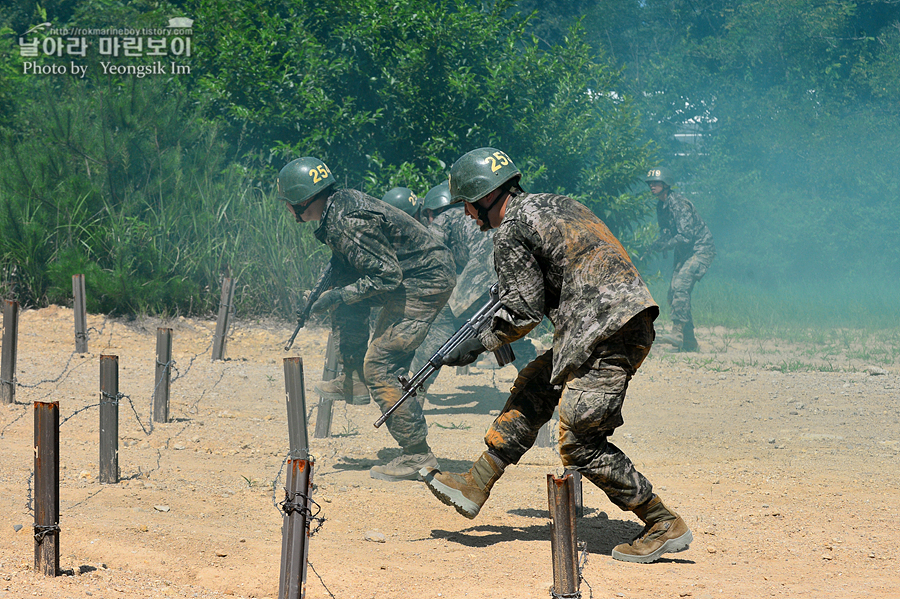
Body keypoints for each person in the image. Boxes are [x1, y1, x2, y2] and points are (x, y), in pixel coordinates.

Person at [419, 148, 692, 564]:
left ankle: (661, 522)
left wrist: (473, 345)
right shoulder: (554, 204)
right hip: (612, 320)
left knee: (580, 441)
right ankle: (476, 481)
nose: (470, 218)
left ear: (484, 197)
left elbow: (523, 312)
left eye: (468, 207)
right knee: (535, 386)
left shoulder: (511, 229)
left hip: (603, 329)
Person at [277, 157, 456, 481]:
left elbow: (386, 276)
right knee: (348, 302)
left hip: (424, 281)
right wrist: (323, 294)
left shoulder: (346, 219)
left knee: (382, 363)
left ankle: (416, 453)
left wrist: (335, 296)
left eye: (288, 202)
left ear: (302, 200)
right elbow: (345, 265)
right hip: (414, 276)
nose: (287, 209)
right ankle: (354, 377)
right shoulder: (338, 209)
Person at [644, 167, 715, 352]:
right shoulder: (662, 205)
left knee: (681, 287)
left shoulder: (679, 204)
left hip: (700, 250)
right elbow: (666, 233)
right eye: (650, 183)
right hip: (685, 253)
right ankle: (689, 341)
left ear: (666, 184)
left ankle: (677, 335)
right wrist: (654, 246)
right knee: (673, 292)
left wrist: (665, 245)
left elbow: (686, 235)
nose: (652, 185)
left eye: (656, 182)